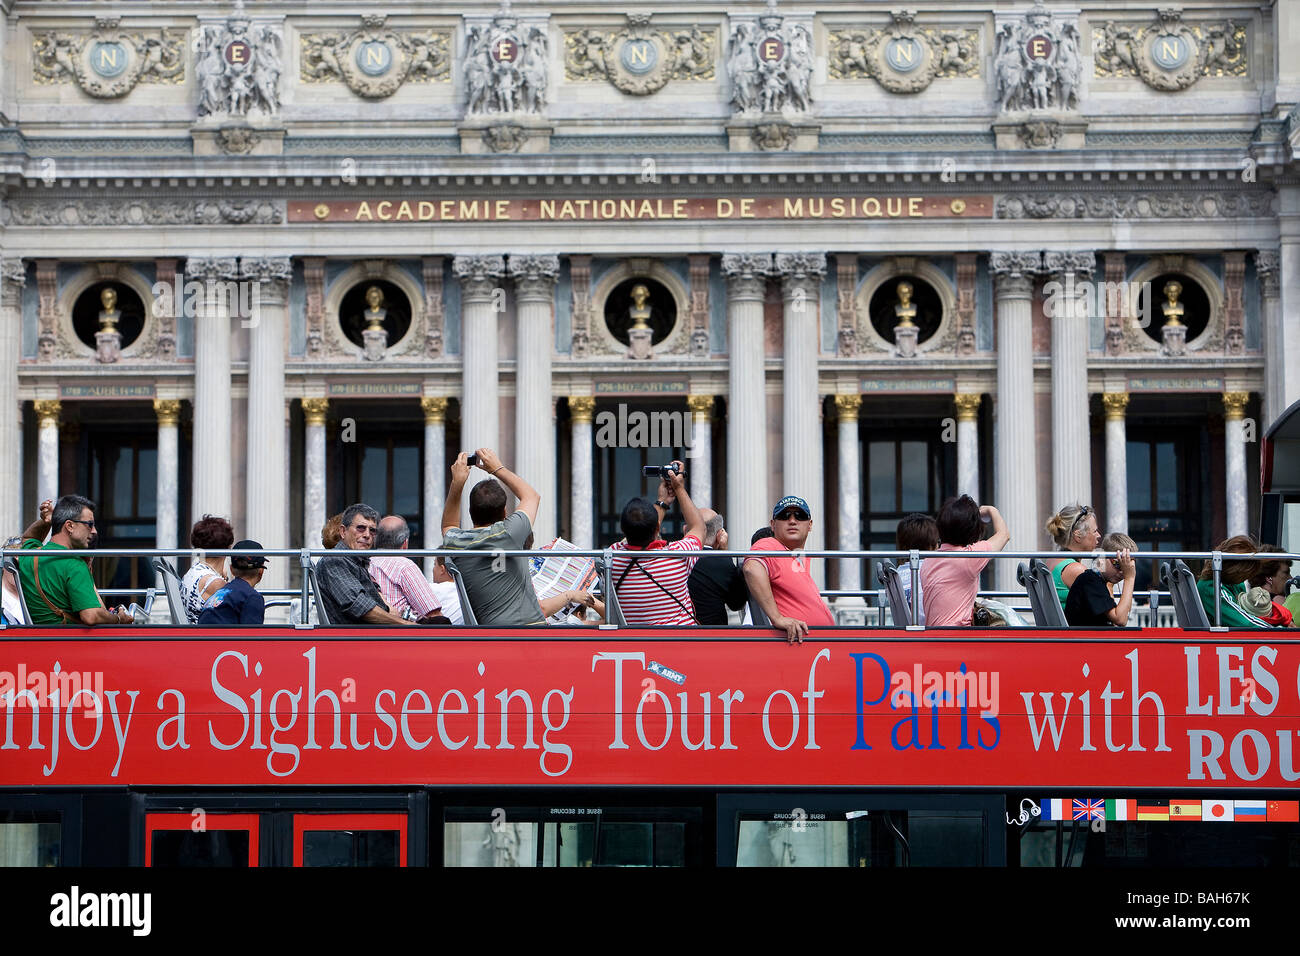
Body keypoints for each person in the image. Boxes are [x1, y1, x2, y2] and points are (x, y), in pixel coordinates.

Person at [441, 448, 546, 626]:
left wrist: (457, 483)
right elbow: (532, 496)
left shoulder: (456, 542)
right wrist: (497, 468)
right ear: (505, 512)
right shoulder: (510, 533)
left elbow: (447, 525)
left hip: (490, 637)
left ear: (470, 512)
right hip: (530, 632)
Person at [608, 461, 706, 626]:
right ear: (658, 528)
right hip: (681, 642)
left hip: (639, 645)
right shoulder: (677, 557)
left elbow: (632, 536)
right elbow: (699, 528)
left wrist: (662, 502)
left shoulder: (612, 560)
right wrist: (679, 488)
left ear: (623, 530)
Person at [16, 494, 134, 626]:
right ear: (70, 526)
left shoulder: (29, 555)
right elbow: (91, 616)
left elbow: (28, 537)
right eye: (89, 525)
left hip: (37, 641)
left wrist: (47, 522)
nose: (94, 531)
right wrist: (118, 619)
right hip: (71, 642)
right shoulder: (74, 565)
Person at [744, 495, 835, 643]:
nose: (792, 521)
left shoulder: (797, 557)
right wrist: (777, 618)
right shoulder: (769, 545)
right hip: (795, 646)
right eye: (784, 516)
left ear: (810, 524)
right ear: (773, 525)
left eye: (800, 516)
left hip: (815, 646)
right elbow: (751, 569)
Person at [314, 503, 413, 626]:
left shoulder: (357, 561)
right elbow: (360, 607)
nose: (367, 535)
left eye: (372, 530)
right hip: (355, 639)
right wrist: (404, 624)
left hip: (370, 636)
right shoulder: (334, 560)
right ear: (343, 532)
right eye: (361, 528)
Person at [919, 495, 1010, 627]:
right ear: (972, 530)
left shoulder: (929, 560)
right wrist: (991, 510)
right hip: (958, 638)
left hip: (934, 636)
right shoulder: (967, 559)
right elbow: (1004, 535)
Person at [370, 515, 447, 622]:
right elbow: (434, 614)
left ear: (375, 540)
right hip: (402, 635)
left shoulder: (365, 563)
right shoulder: (404, 566)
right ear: (405, 543)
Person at [1196, 534, 1272, 627]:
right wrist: (1281, 631)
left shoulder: (1228, 583)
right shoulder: (1213, 589)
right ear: (1236, 571)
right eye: (1245, 575)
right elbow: (1246, 622)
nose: (1246, 579)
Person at [688, 510, 748, 626]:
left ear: (688, 529)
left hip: (677, 634)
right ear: (720, 535)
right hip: (714, 635)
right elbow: (736, 604)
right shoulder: (723, 563)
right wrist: (724, 552)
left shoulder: (676, 558)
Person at [1064, 532, 1137, 627]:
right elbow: (1120, 620)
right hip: (1084, 639)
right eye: (1117, 564)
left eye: (1126, 567)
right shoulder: (1090, 580)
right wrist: (1129, 578)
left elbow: (1120, 619)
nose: (1122, 572)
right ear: (1102, 557)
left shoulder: (1098, 581)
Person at [3, 499, 53, 624]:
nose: (23, 569)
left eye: (27, 563)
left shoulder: (35, 595)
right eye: (17, 562)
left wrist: (47, 522)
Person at [1044, 504, 1102, 607]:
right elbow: (1116, 617)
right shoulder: (1076, 570)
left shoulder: (1051, 560)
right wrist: (1128, 577)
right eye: (1095, 531)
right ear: (1078, 536)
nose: (1099, 536)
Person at [179, 514, 233, 624]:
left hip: (194, 634)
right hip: (206, 637)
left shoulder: (192, 571)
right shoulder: (216, 583)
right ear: (228, 547)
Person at [198, 540, 267, 626]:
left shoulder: (220, 593)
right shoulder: (252, 597)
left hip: (201, 638)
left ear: (232, 570)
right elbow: (253, 636)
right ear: (261, 571)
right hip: (223, 639)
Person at [895, 513, 939, 625]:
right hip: (931, 633)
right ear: (930, 544)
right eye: (937, 542)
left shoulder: (898, 573)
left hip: (907, 632)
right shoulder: (933, 572)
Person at [1248, 546, 1294, 626]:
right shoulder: (1279, 601)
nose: (1291, 578)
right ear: (1269, 578)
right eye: (1286, 572)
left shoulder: (1247, 600)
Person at [429, 557, 464, 625]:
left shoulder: (432, 589)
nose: (433, 569)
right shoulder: (466, 591)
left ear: (442, 569)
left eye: (434, 564)